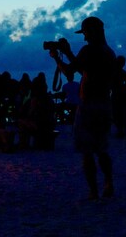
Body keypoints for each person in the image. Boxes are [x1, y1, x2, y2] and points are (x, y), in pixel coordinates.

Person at [50, 16, 118, 200]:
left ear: (92, 32)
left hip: (88, 105)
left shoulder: (88, 50)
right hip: (105, 104)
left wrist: (57, 58)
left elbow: (69, 72)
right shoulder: (109, 52)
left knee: (87, 151)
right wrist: (70, 53)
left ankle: (93, 191)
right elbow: (86, 71)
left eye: (85, 33)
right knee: (101, 148)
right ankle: (108, 182)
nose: (85, 38)